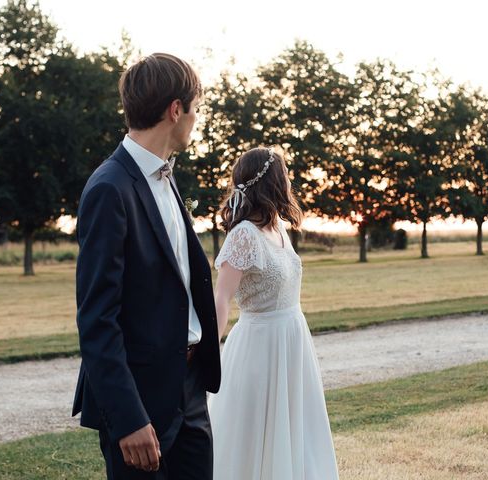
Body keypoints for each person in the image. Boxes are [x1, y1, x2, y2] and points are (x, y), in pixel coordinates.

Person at [71, 53, 221, 479]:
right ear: (176, 110)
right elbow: (97, 319)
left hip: (189, 389)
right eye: (196, 107)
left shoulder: (166, 178)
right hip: (140, 401)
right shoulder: (109, 188)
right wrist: (128, 418)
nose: (196, 118)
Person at [209, 147, 340, 479]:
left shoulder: (278, 228)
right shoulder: (243, 236)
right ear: (271, 181)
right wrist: (205, 352)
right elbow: (221, 298)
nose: (289, 180)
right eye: (284, 174)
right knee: (255, 435)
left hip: (293, 342)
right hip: (259, 348)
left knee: (297, 429)